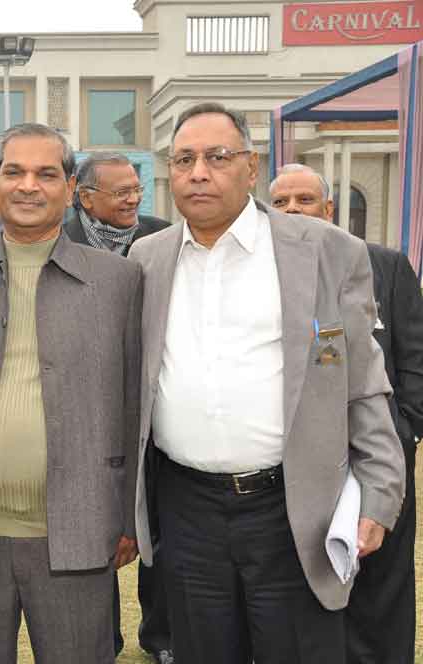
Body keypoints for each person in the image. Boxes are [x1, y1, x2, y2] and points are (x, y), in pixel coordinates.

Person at [129, 102, 405, 663]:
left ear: (251, 167)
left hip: (293, 508)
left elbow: (363, 382)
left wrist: (380, 490)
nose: (198, 173)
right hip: (186, 511)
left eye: (217, 157)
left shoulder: (326, 251)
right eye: (184, 160)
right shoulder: (147, 260)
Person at [0, 123, 142, 663]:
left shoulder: (120, 281)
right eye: (14, 172)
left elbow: (136, 406)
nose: (28, 186)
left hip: (80, 525)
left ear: (71, 188)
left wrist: (130, 516)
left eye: (46, 174)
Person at [269, 163, 422, 664]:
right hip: (306, 461)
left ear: (329, 208)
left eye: (305, 200)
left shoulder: (385, 265)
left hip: (378, 452)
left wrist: (404, 429)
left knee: (383, 578)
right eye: (281, 202)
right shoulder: (264, 274)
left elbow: (415, 357)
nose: (293, 210)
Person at [70, 152, 173, 664]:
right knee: (95, 532)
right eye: (121, 192)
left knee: (162, 528)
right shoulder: (59, 240)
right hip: (88, 411)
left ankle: (162, 636)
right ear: (86, 198)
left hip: (156, 408)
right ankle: (101, 641)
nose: (134, 199)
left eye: (137, 189)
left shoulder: (162, 237)